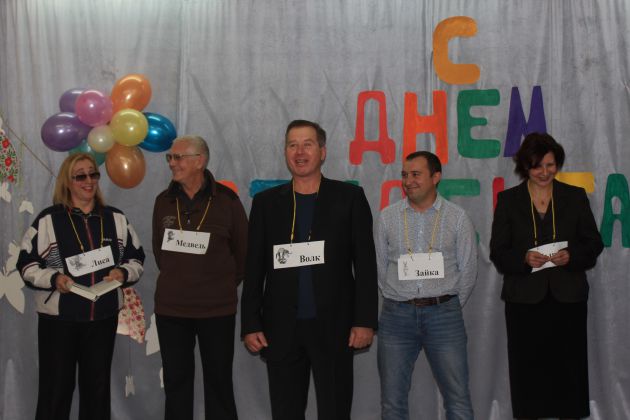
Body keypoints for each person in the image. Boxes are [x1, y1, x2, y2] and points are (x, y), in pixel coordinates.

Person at [240, 119, 378, 420]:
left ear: (322, 152)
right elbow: (254, 268)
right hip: (280, 329)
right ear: (285, 152)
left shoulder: (349, 198)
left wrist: (365, 321)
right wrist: (250, 322)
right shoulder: (265, 204)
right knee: (285, 412)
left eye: (307, 144)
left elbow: (366, 265)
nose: (299, 152)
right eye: (292, 145)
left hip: (335, 327)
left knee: (335, 410)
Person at [17, 152, 145, 420]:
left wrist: (122, 273)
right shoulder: (48, 220)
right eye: (80, 176)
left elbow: (136, 259)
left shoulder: (116, 218)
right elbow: (27, 266)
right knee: (56, 391)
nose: (89, 180)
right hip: (59, 320)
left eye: (93, 174)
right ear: (67, 181)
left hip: (102, 318)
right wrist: (54, 279)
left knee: (97, 392)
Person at [490, 132, 604, 420]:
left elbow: (594, 243)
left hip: (568, 297)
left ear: (558, 164)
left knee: (569, 370)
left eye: (550, 165)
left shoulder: (575, 197)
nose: (544, 172)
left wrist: (572, 256)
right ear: (525, 166)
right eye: (537, 166)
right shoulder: (508, 200)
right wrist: (523, 258)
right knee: (527, 370)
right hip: (523, 300)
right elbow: (498, 252)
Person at [375, 151, 477, 420]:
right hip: (396, 316)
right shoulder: (387, 217)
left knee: (458, 399)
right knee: (392, 402)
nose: (408, 181)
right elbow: (380, 268)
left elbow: (468, 271)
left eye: (416, 174)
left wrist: (445, 303)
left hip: (444, 315)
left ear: (436, 177)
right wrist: (399, 298)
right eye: (404, 175)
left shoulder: (457, 217)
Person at [153, 135, 248, 420]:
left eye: (178, 157)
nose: (172, 163)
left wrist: (218, 285)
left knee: (219, 383)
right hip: (171, 310)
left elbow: (243, 254)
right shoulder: (163, 201)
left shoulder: (228, 201)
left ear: (200, 161)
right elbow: (159, 252)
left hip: (216, 310)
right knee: (176, 383)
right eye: (170, 157)